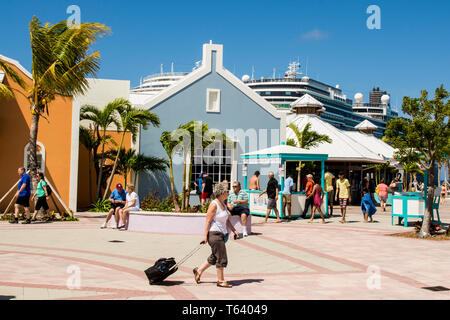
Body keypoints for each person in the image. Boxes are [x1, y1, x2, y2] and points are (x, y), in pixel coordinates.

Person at [193, 182, 240, 288]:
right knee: (221, 257)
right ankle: (220, 280)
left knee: (215, 256)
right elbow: (208, 221)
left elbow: (226, 220)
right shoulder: (214, 204)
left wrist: (234, 230)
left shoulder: (222, 203)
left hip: (222, 234)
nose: (228, 192)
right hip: (214, 234)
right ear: (222, 192)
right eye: (227, 191)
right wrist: (205, 236)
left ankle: (199, 271)